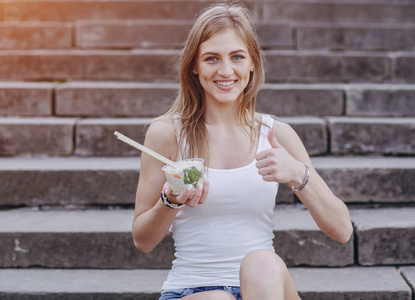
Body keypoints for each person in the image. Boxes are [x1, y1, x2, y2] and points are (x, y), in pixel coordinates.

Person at [132, 2, 353, 299]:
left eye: (237, 57)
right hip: (191, 290)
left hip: (265, 288)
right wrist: (170, 200)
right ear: (194, 66)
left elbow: (342, 230)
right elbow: (142, 240)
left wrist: (298, 174)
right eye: (212, 59)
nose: (226, 71)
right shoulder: (167, 133)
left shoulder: (276, 134)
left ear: (252, 63)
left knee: (262, 262)